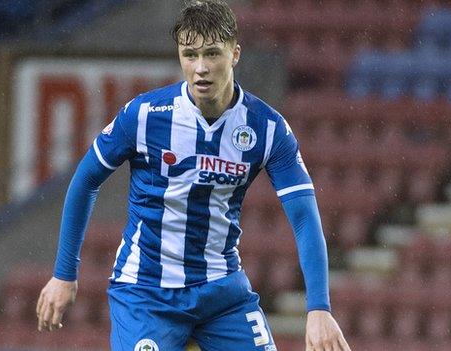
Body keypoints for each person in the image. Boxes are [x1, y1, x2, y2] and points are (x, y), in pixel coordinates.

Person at [36, 1, 350, 350]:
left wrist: (319, 307)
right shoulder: (144, 115)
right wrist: (64, 274)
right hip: (146, 292)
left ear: (235, 54)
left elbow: (304, 218)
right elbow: (85, 181)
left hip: (222, 294)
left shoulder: (267, 128)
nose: (200, 68)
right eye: (190, 54)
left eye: (212, 53)